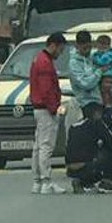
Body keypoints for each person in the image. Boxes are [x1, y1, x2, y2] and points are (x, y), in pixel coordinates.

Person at [66, 30, 112, 193]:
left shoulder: (92, 57)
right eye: (84, 48)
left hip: (100, 103)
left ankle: (103, 178)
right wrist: (99, 72)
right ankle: (89, 178)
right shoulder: (74, 63)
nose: (87, 51)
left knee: (105, 141)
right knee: (106, 142)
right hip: (88, 105)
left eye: (89, 47)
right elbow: (85, 83)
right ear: (77, 46)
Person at [29, 32, 67, 194]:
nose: (61, 53)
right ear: (54, 45)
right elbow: (46, 90)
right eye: (61, 49)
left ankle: (37, 181)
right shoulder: (45, 63)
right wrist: (54, 108)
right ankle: (46, 181)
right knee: (46, 146)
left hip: (39, 108)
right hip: (46, 109)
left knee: (38, 146)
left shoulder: (38, 59)